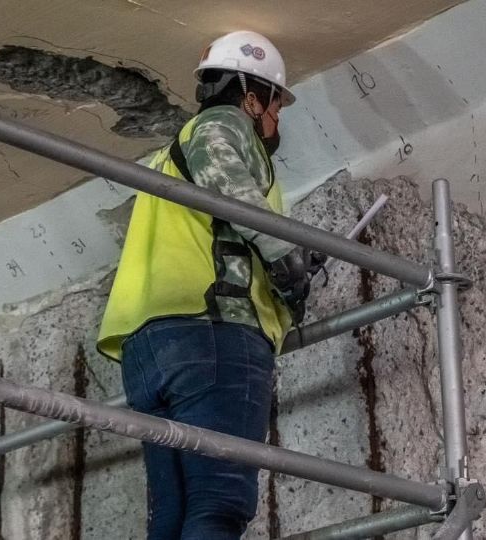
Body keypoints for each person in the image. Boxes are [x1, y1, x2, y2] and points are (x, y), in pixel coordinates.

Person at [97, 30, 324, 539]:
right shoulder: (223, 125)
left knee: (173, 518)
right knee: (218, 506)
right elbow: (221, 168)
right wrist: (287, 260)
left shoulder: (166, 159)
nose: (275, 117)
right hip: (214, 334)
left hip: (150, 350)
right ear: (251, 96)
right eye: (275, 104)